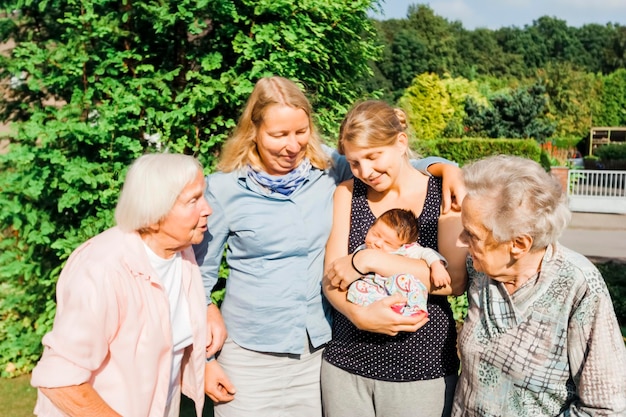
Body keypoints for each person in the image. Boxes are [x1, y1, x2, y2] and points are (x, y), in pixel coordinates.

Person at [193, 76, 466, 417]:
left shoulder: (326, 170)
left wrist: (447, 168)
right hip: (250, 353)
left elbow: (391, 161)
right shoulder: (224, 189)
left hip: (316, 353)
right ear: (254, 131)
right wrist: (203, 358)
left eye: (301, 132)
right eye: (279, 135)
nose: (292, 146)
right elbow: (197, 277)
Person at [30, 153, 214, 417]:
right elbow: (60, 379)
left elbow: (166, 340)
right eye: (193, 200)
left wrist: (204, 363)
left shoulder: (181, 254)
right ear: (154, 214)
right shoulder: (102, 269)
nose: (207, 209)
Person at [322, 100, 469, 417]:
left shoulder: (443, 192)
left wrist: (368, 261)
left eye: (373, 157)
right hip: (347, 364)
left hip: (420, 368)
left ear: (400, 143)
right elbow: (331, 278)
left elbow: (454, 281)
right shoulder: (347, 194)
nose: (366, 172)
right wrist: (357, 314)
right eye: (355, 162)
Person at [452, 154, 626, 416]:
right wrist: (437, 166)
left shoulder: (578, 286)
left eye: (472, 235)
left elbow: (606, 408)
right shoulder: (481, 270)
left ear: (518, 244)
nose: (459, 242)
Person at [347, 207, 450, 317]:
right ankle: (377, 308)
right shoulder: (362, 249)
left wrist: (437, 267)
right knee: (356, 288)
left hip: (400, 293)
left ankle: (414, 309)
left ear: (403, 245)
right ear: (371, 227)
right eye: (375, 234)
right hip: (375, 291)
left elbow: (428, 253)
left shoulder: (407, 250)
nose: (377, 243)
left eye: (388, 243)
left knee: (406, 281)